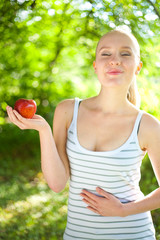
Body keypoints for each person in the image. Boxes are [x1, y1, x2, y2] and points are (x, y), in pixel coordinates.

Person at [6, 28, 160, 240]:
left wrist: (123, 210)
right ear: (96, 66)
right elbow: (58, 184)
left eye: (125, 53)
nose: (114, 60)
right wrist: (43, 130)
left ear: (138, 67)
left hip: (133, 233)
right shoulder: (68, 111)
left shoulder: (147, 125)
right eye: (106, 53)